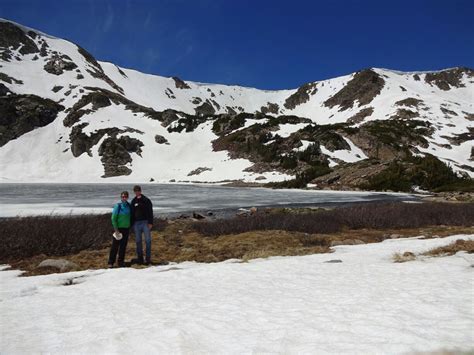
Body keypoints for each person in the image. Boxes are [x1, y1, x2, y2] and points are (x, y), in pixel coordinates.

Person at [130, 185, 153, 265]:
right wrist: (131, 224)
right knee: (138, 241)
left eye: (138, 190)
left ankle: (148, 259)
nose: (137, 192)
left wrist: (150, 222)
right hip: (136, 223)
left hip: (145, 222)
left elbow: (150, 211)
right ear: (134, 192)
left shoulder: (146, 200)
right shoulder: (133, 201)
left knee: (148, 241)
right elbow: (132, 213)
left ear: (140, 191)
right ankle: (140, 259)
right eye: (135, 191)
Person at [108, 191, 131, 268]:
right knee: (115, 246)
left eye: (125, 196)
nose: (124, 198)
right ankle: (111, 262)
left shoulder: (129, 206)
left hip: (126, 229)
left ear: (127, 197)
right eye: (123, 197)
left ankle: (120, 262)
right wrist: (116, 230)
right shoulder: (118, 206)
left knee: (123, 246)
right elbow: (113, 219)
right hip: (118, 229)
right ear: (121, 197)